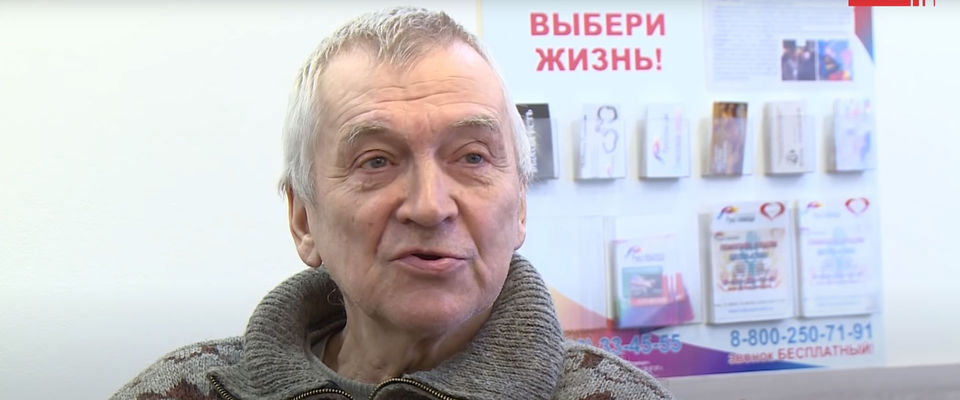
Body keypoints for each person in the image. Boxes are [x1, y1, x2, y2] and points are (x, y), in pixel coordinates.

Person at [111, 7, 674, 400]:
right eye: (376, 161)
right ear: (302, 219)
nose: (430, 207)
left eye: (472, 157)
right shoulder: (178, 392)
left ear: (521, 205)